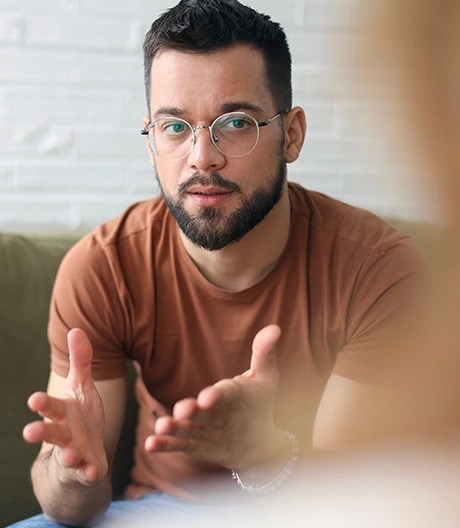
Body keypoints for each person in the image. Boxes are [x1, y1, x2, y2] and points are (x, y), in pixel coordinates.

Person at [13, 0, 432, 526]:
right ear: (151, 142)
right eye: (175, 127)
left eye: (235, 123)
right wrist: (73, 475)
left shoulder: (380, 271)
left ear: (292, 134)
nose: (202, 156)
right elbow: (71, 508)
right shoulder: (104, 266)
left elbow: (357, 506)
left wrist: (261, 457)